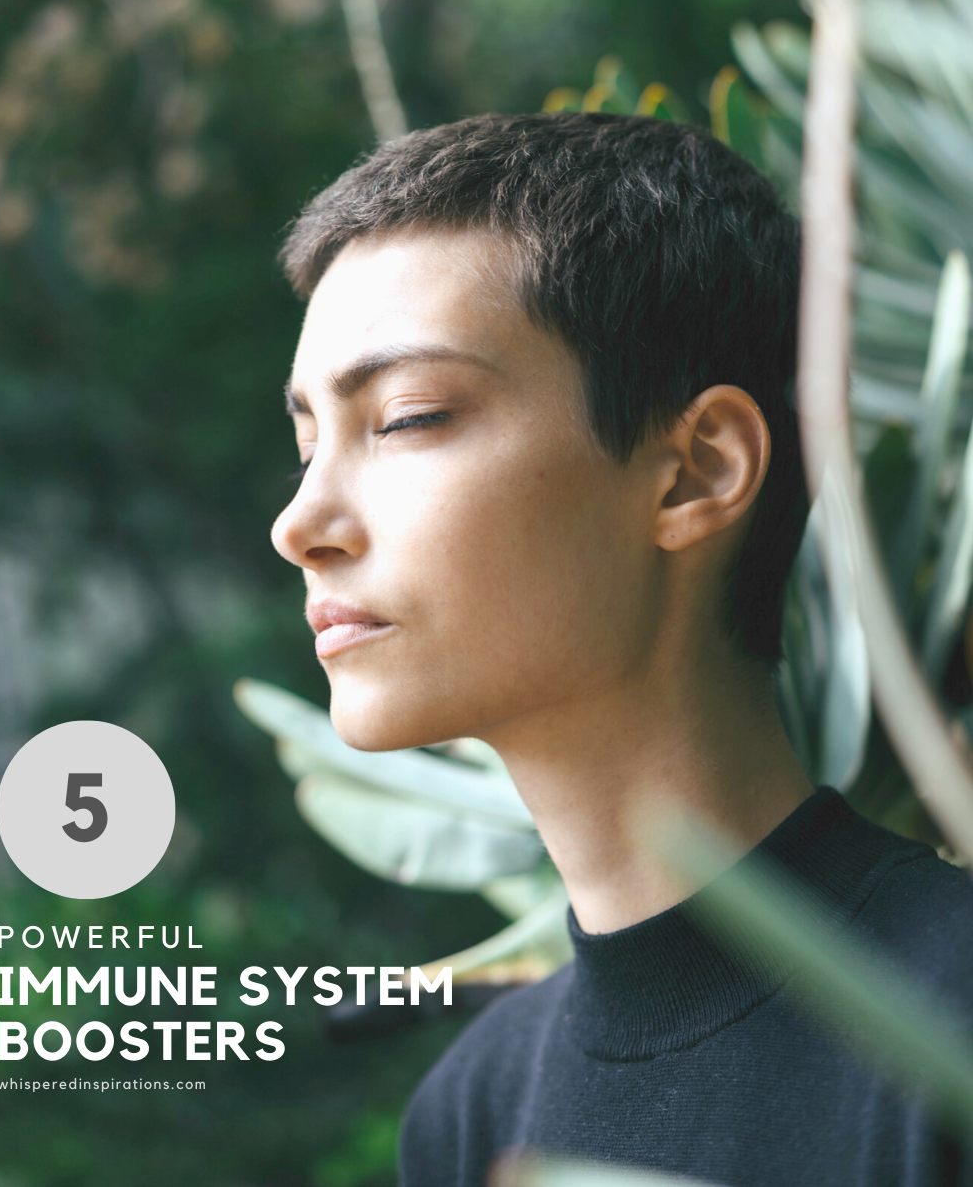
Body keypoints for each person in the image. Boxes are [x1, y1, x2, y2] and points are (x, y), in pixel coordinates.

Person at [270, 112, 972, 1187]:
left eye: (406, 418)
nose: (301, 521)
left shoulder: (949, 1018)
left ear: (694, 472)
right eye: (308, 441)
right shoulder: (474, 1112)